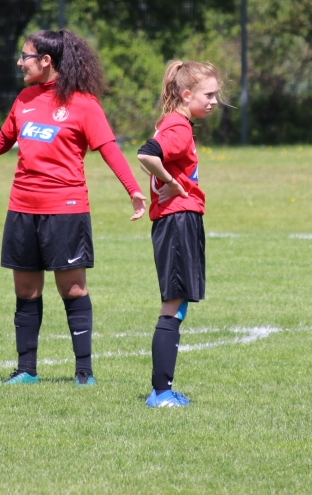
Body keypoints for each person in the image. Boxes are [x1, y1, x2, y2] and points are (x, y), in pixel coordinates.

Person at [0, 29, 146, 387]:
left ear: (46, 61)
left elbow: (109, 149)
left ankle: (84, 372)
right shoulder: (25, 98)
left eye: (24, 56)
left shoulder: (84, 103)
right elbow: (2, 141)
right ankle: (26, 370)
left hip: (66, 210)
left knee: (73, 290)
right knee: (26, 290)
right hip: (22, 208)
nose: (19, 62)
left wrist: (133, 190)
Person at [136, 60, 221, 407]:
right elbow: (146, 155)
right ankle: (161, 393)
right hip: (177, 220)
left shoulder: (177, 124)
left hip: (180, 219)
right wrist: (172, 183)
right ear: (187, 95)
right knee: (172, 304)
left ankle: (164, 391)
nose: (214, 101)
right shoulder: (178, 127)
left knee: (178, 301)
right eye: (208, 94)